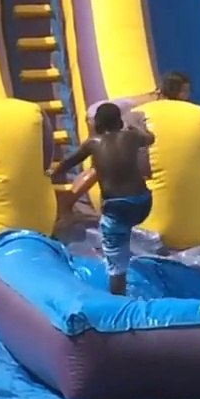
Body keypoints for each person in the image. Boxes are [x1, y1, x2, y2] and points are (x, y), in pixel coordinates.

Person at [49, 103, 155, 295]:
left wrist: (51, 174)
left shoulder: (93, 142)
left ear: (97, 123)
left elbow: (69, 163)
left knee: (116, 262)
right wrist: (137, 128)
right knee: (126, 224)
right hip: (143, 203)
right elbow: (151, 138)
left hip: (117, 208)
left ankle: (119, 300)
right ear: (120, 121)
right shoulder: (131, 136)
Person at [57, 71, 192, 214]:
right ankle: (65, 204)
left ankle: (66, 202)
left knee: (100, 167)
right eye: (185, 91)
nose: (188, 95)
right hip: (102, 114)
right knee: (100, 167)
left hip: (103, 111)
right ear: (174, 91)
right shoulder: (162, 104)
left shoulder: (159, 97)